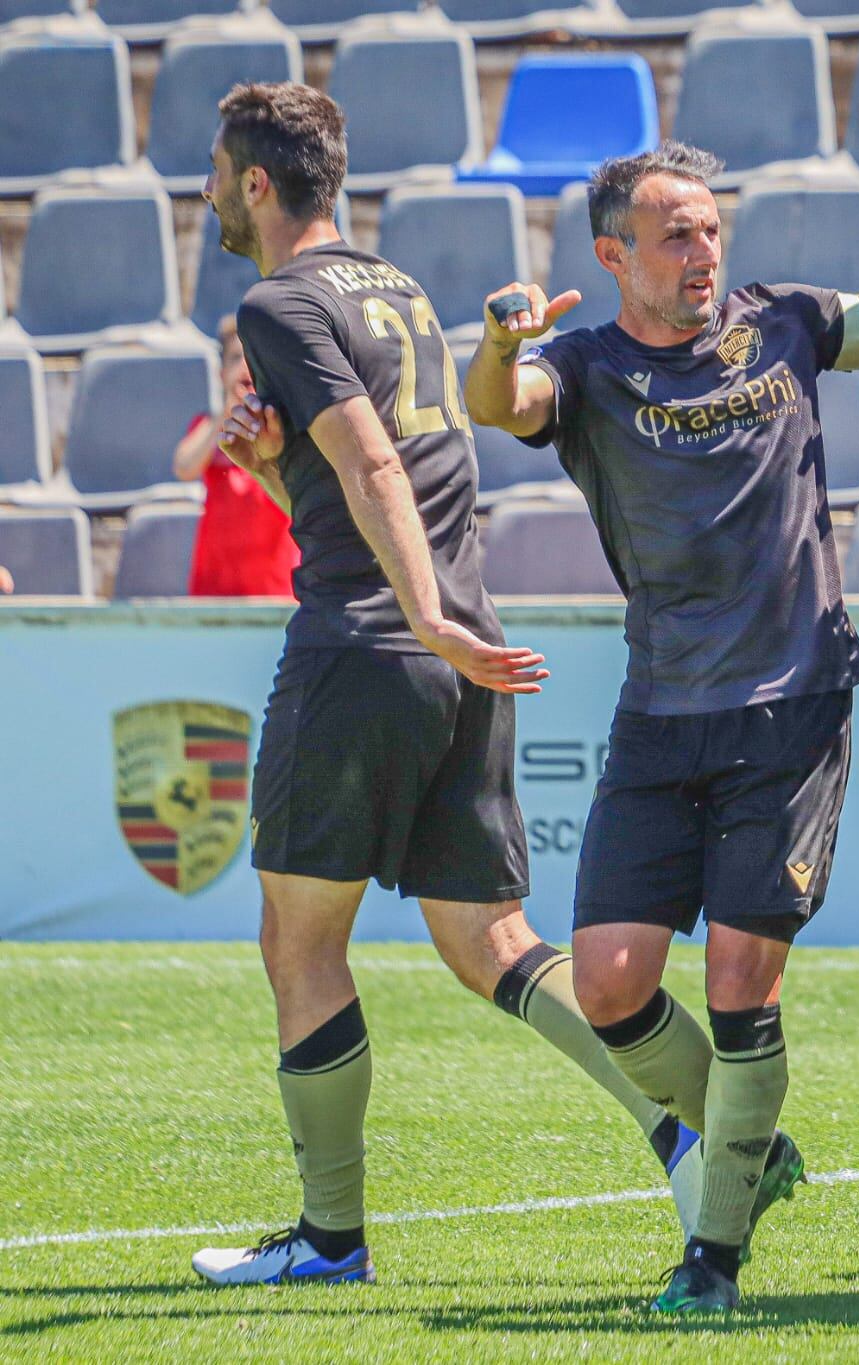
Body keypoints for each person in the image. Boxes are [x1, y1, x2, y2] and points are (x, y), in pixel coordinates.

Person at [460, 72, 859, 1317]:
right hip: (660, 706)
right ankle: (748, 1148)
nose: (700, 250)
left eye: (710, 228)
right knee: (611, 983)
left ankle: (714, 1254)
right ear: (612, 252)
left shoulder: (785, 322)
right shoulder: (576, 367)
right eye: (674, 232)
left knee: (743, 979)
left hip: (794, 704)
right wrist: (497, 341)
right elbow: (500, 405)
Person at [189, 81, 704, 1288]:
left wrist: (416, 612)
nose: (209, 193)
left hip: (368, 647)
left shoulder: (277, 301)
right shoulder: (398, 289)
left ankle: (329, 1242)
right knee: (492, 942)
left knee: (298, 943)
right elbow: (373, 485)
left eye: (217, 172)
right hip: (461, 651)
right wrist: (275, 475)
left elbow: (374, 462)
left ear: (257, 184)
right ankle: (688, 1139)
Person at [173, 316, 299, 597]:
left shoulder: (284, 428)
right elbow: (184, 467)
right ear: (221, 373)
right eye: (235, 358)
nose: (245, 366)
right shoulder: (208, 426)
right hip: (214, 589)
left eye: (254, 357)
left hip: (275, 588)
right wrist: (224, 414)